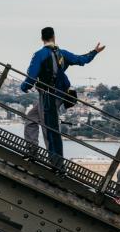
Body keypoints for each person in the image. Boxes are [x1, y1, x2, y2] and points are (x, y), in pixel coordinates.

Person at [20, 26, 104, 160]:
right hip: (59, 94)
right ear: (54, 37)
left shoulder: (40, 54)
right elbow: (81, 60)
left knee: (49, 129)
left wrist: (24, 87)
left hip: (48, 96)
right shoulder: (62, 53)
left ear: (42, 38)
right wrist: (94, 52)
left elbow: (31, 77)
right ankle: (32, 150)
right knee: (31, 119)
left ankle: (55, 163)